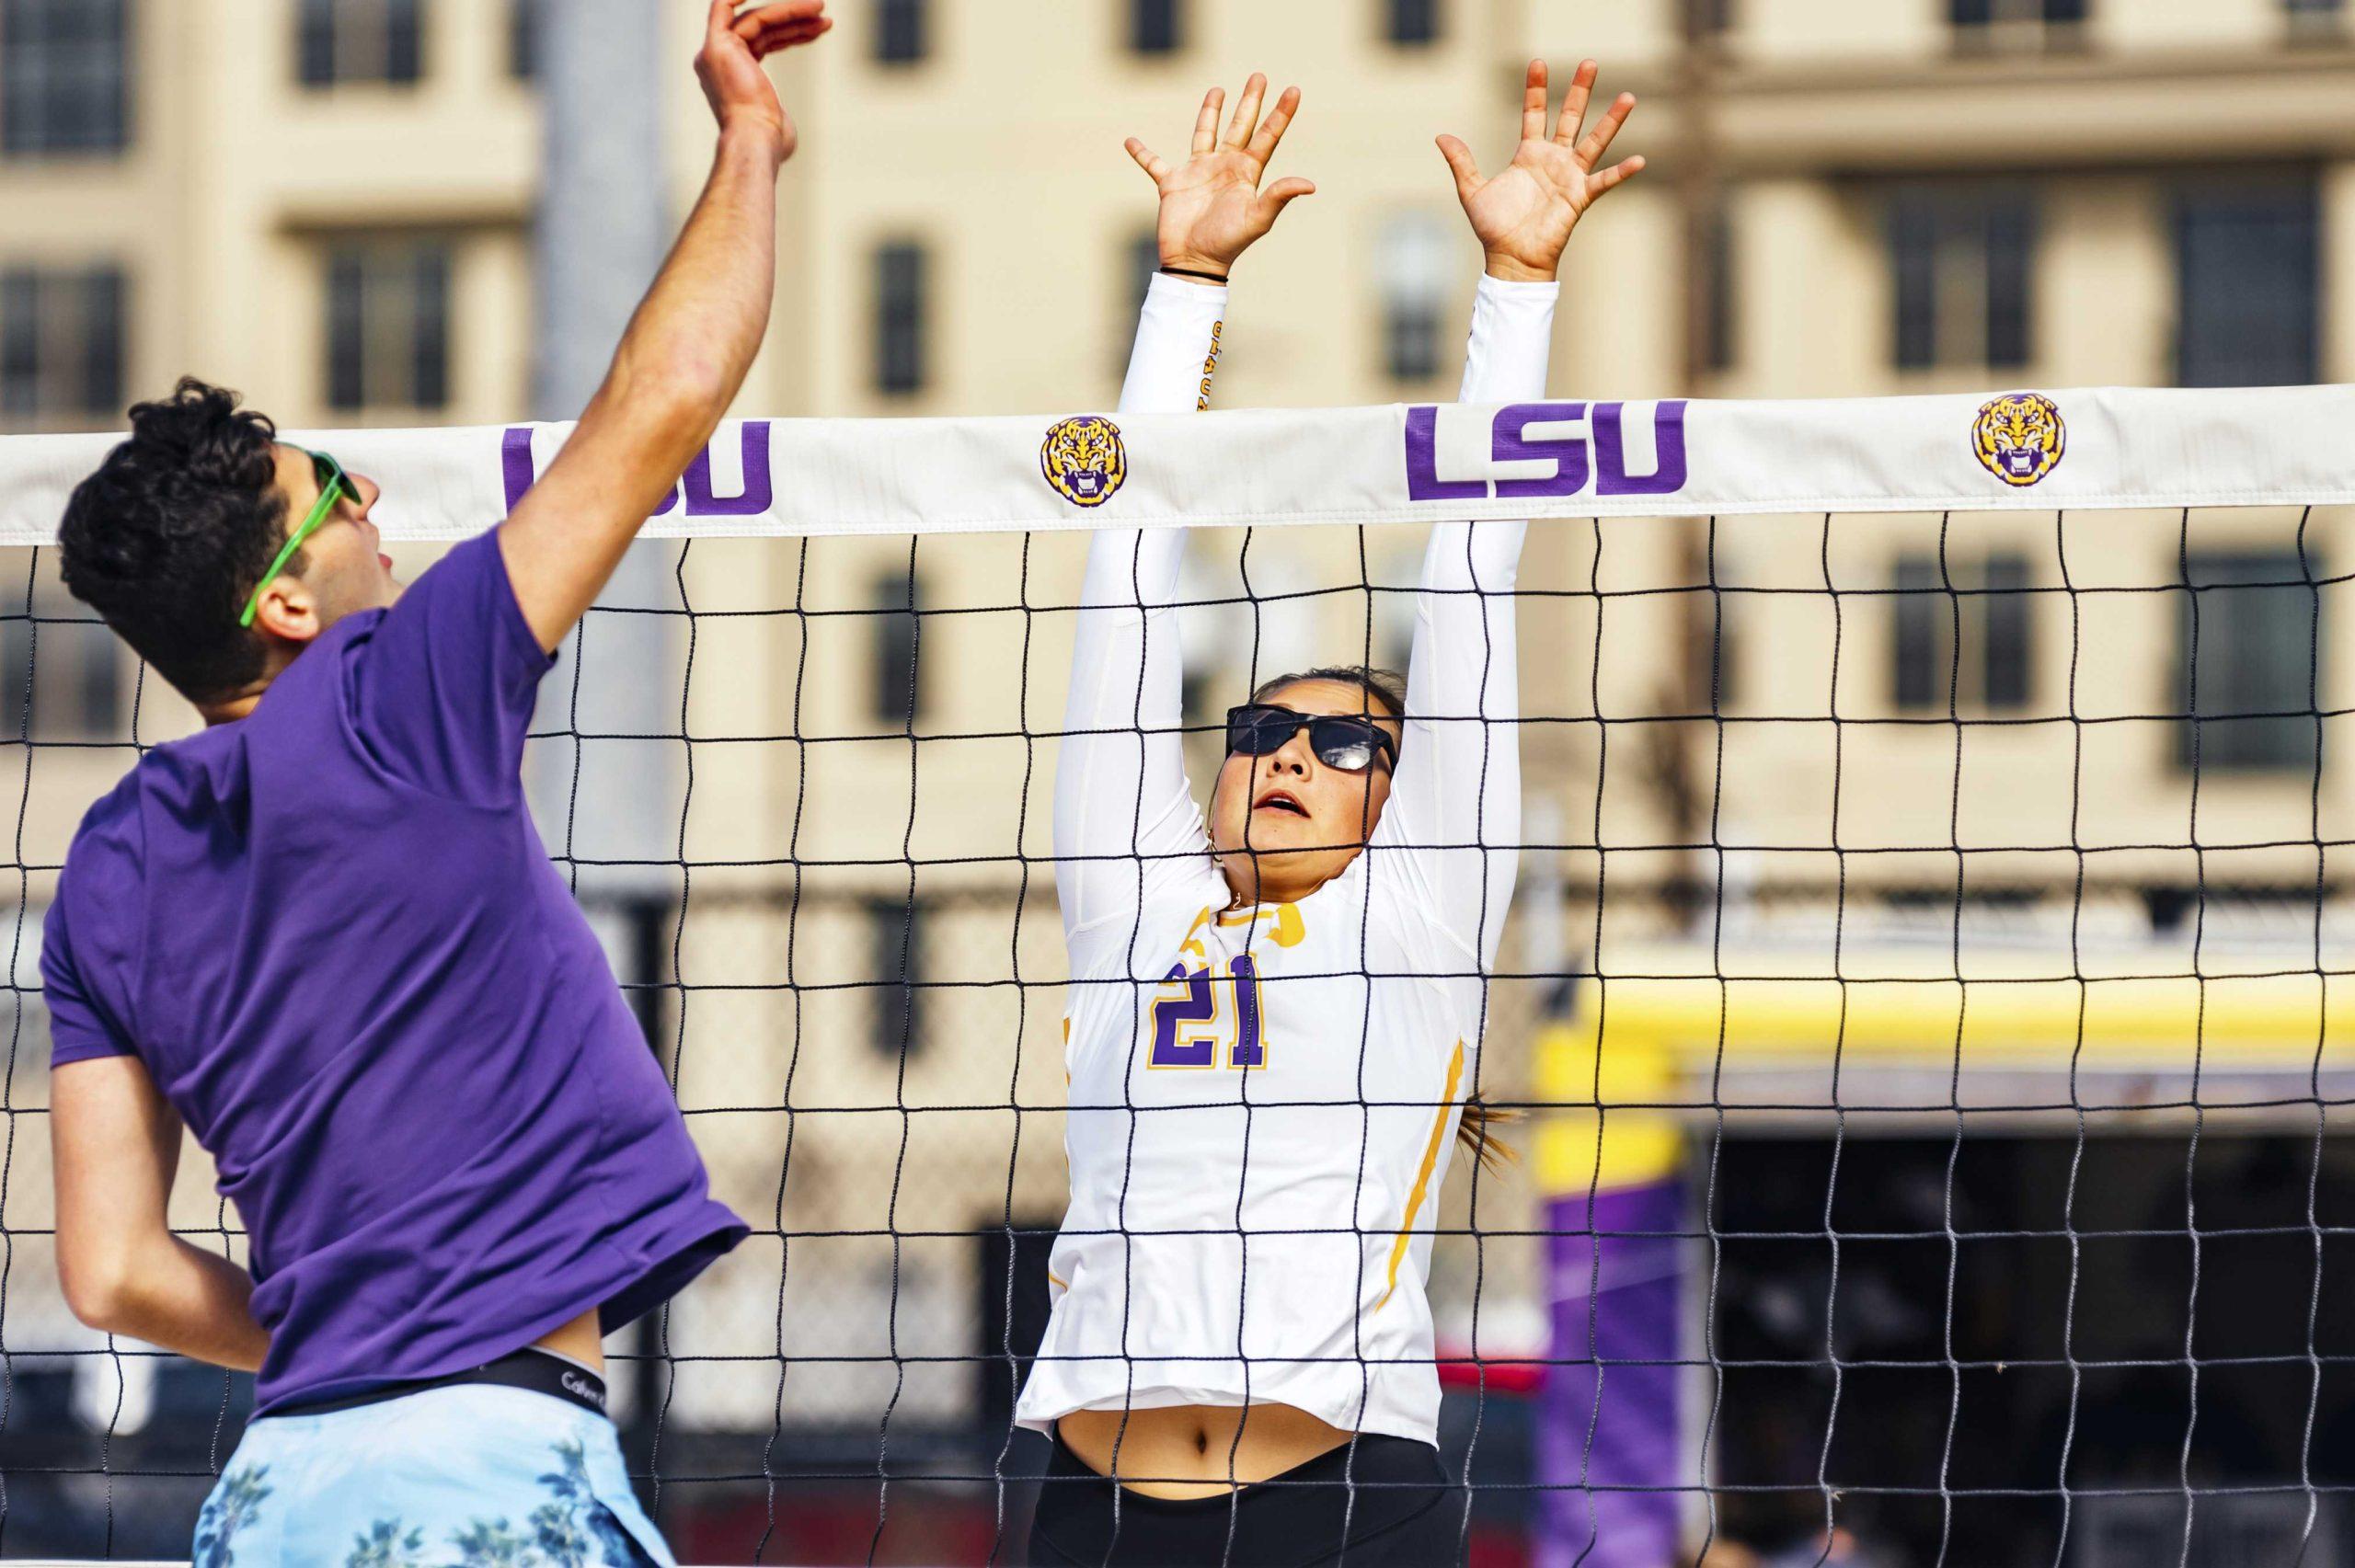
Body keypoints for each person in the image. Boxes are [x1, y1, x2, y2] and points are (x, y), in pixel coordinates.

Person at [40, 3, 827, 1560]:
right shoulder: (398, 690)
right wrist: (747, 142)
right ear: (281, 600)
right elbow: (657, 405)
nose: (371, 494)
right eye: (333, 488)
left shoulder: (106, 865)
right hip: (486, 1472)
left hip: (281, 1490)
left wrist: (354, 1343)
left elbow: (115, 1271)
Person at [1017, 59, 1644, 1568]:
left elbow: (1475, 579)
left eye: (1345, 743)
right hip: (1089, 1510)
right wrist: (1185, 284)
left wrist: (1515, 284)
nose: (1291, 752)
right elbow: (1129, 572)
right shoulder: (1132, 900)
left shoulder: (1415, 913)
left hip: (1339, 1511)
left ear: (1400, 798)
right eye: (1262, 727)